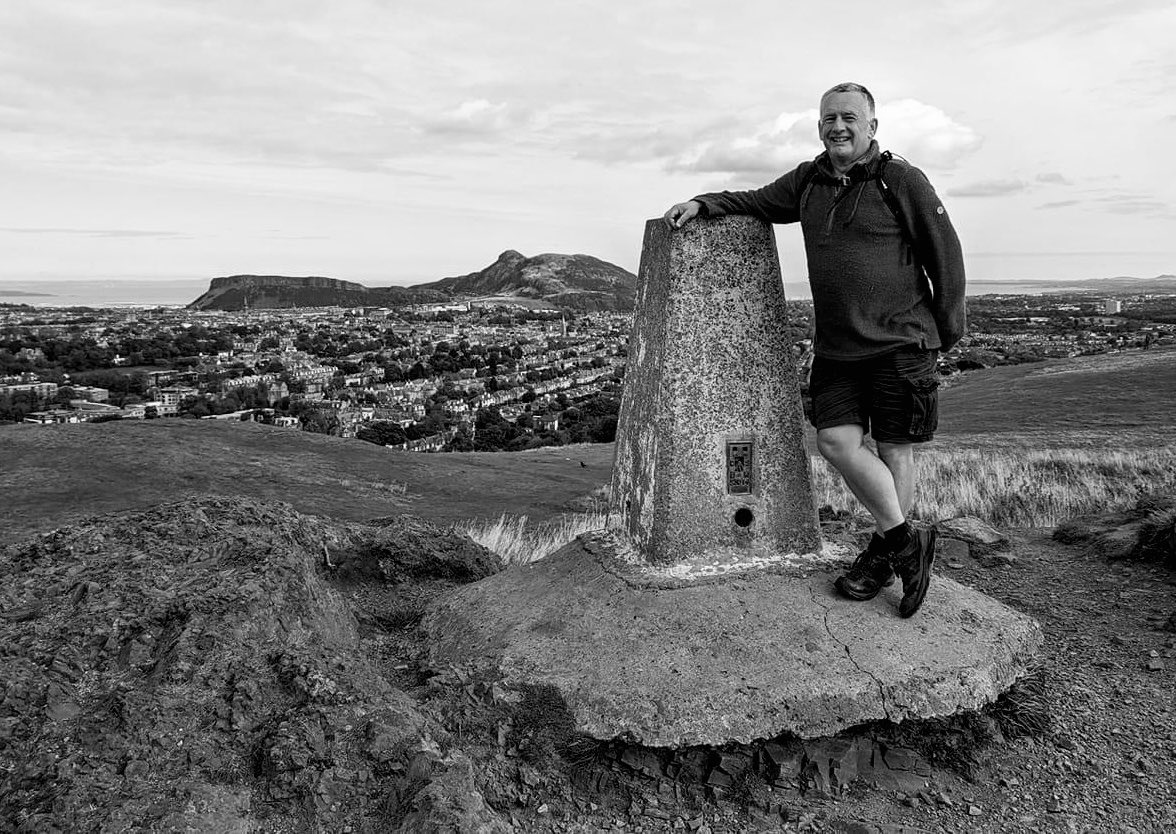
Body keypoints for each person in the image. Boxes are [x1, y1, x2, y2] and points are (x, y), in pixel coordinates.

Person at [663, 82, 966, 618]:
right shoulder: (808, 180)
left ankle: (881, 556)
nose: (838, 126)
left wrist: (944, 333)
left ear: (873, 126)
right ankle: (907, 544)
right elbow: (754, 201)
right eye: (828, 118)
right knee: (835, 441)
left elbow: (946, 256)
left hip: (901, 343)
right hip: (838, 351)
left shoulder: (901, 180)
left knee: (896, 451)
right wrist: (702, 202)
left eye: (850, 117)